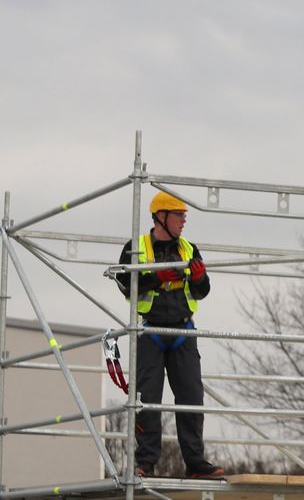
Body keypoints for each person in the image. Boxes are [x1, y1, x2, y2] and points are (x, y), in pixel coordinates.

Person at [115, 192, 223, 479]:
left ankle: (196, 463)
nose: (183, 221)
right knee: (146, 399)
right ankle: (145, 463)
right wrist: (156, 279)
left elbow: (203, 291)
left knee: (191, 397)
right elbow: (126, 285)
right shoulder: (135, 248)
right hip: (150, 331)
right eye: (179, 215)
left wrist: (199, 279)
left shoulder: (189, 248)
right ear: (160, 216)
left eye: (185, 215)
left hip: (182, 331)